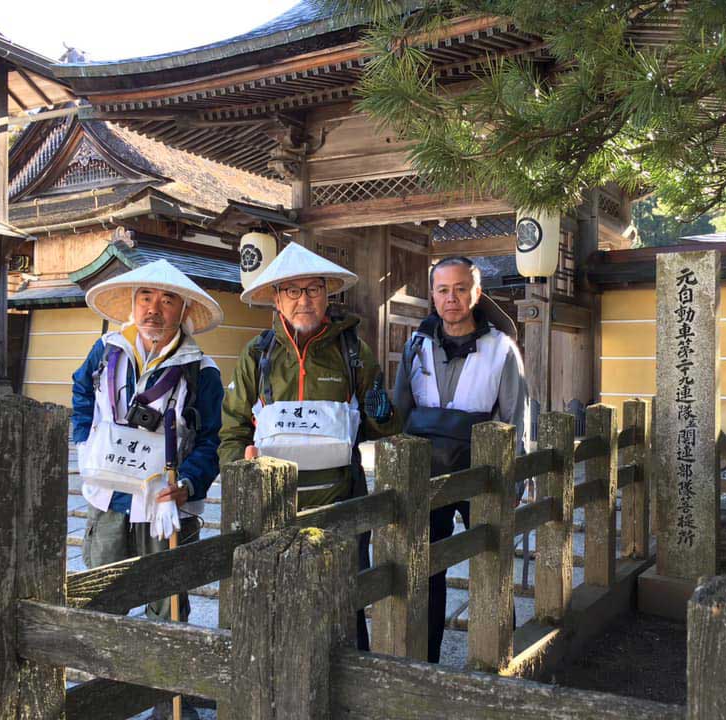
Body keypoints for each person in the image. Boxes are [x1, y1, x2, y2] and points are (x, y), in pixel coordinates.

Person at [220, 241, 399, 650]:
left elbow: (385, 429)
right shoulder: (257, 355)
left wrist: (382, 410)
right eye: (292, 290)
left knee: (345, 607)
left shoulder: (353, 351)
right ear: (277, 299)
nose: (304, 300)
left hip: (342, 504)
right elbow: (232, 430)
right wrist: (240, 469)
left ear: (327, 293)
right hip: (273, 508)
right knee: (276, 609)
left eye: (314, 289)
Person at [72, 259, 224, 720]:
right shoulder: (107, 351)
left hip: (164, 505)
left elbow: (212, 439)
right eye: (145, 298)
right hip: (109, 499)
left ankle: (169, 701)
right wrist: (85, 443)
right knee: (103, 599)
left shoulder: (201, 371)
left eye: (167, 300)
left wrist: (189, 483)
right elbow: (81, 392)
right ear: (133, 303)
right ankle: (104, 697)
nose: (153, 309)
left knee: (168, 603)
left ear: (184, 311)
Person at [393, 256, 528, 663]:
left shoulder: (501, 348)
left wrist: (515, 479)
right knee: (423, 569)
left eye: (460, 289)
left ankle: (497, 657)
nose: (451, 298)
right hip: (426, 473)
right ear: (432, 295)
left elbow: (516, 418)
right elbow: (401, 411)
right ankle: (424, 660)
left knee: (492, 563)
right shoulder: (415, 346)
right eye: (442, 290)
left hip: (482, 470)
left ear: (477, 293)